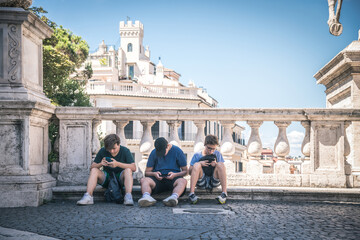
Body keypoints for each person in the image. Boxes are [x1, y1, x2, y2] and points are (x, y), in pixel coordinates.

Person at [77, 134, 136, 206]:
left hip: (120, 178)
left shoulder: (125, 150)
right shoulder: (103, 151)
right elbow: (92, 167)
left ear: (119, 144)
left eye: (114, 148)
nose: (111, 151)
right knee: (94, 170)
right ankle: (88, 196)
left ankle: (128, 196)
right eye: (109, 149)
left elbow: (133, 167)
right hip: (107, 178)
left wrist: (117, 164)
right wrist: (100, 164)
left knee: (128, 170)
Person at [138, 137, 188, 207]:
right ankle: (146, 197)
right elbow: (147, 173)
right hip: (157, 179)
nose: (162, 155)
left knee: (183, 181)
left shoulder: (177, 151)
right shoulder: (153, 152)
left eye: (163, 152)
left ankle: (173, 198)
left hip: (174, 178)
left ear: (168, 146)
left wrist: (175, 174)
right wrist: (154, 174)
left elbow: (185, 171)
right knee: (144, 180)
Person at [188, 134, 228, 204]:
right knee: (196, 165)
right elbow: (190, 172)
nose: (211, 151)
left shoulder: (217, 154)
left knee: (221, 164)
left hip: (214, 180)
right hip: (201, 181)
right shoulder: (197, 155)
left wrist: (216, 165)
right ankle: (191, 194)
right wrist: (200, 163)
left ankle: (224, 194)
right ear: (205, 144)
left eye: (213, 149)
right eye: (209, 148)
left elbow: (223, 170)